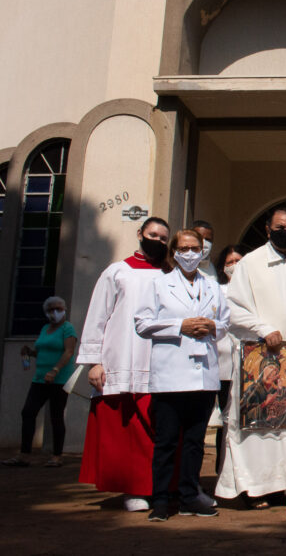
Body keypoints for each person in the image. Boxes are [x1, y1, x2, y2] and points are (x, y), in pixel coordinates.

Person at [216, 206, 286, 506]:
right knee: (257, 428)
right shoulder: (250, 264)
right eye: (279, 227)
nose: (285, 232)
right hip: (260, 355)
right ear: (267, 229)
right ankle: (254, 488)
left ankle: (283, 485)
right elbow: (232, 309)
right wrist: (263, 329)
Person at [77, 216, 170, 512]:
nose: (158, 241)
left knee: (162, 429)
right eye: (153, 234)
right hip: (123, 359)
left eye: (163, 238)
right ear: (140, 234)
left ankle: (162, 488)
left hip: (162, 363)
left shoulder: (171, 274)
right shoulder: (118, 271)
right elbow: (97, 316)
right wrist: (94, 362)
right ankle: (134, 489)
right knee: (128, 432)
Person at [135, 229, 229, 521]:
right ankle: (161, 499)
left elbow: (225, 322)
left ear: (202, 252)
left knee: (194, 441)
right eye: (184, 248)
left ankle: (190, 496)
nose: (190, 254)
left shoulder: (212, 286)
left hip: (204, 375)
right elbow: (142, 324)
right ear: (174, 253)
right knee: (166, 441)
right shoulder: (159, 285)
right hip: (171, 374)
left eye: (195, 249)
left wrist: (212, 327)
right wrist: (180, 326)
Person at [2, 296, 77, 468]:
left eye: (58, 308)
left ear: (64, 310)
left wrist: (55, 370)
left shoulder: (68, 328)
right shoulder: (45, 329)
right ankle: (24, 455)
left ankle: (57, 456)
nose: (54, 312)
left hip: (58, 379)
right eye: (50, 310)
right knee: (28, 412)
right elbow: (43, 351)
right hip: (40, 378)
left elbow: (68, 351)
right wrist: (30, 353)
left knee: (56, 416)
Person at [213, 243, 246, 474]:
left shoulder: (253, 290)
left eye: (238, 261)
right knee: (224, 421)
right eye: (230, 262)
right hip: (222, 364)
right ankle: (221, 470)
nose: (234, 266)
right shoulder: (217, 290)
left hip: (247, 362)